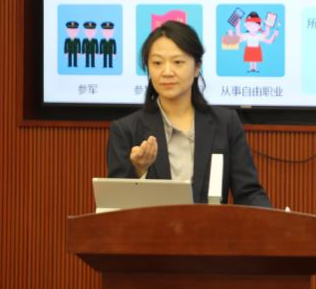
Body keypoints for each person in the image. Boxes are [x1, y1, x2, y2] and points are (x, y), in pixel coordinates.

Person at [107, 21, 271, 207]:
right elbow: (115, 206)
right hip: (151, 227)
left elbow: (248, 193)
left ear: (196, 67)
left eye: (178, 62)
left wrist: (274, 221)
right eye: (157, 63)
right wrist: (139, 170)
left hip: (209, 226)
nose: (167, 72)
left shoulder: (225, 123)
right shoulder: (126, 130)